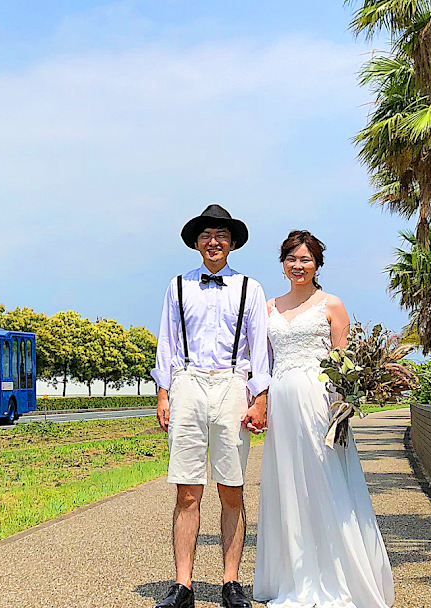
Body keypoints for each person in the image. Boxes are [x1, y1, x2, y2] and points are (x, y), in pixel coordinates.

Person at [253, 230, 394, 608]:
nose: (297, 266)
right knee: (288, 485)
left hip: (318, 402)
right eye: (291, 259)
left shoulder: (332, 305)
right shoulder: (268, 307)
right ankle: (293, 575)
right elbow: (262, 363)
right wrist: (260, 401)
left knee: (322, 480)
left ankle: (336, 575)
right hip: (282, 402)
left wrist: (342, 407)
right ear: (282, 263)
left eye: (305, 260)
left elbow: (343, 362)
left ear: (317, 265)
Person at [152, 204, 270, 608]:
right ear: (196, 243)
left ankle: (230, 583)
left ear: (232, 243)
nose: (214, 241)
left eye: (221, 235)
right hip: (186, 382)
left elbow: (260, 348)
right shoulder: (177, 286)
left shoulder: (250, 289)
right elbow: (166, 342)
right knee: (187, 490)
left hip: (234, 384)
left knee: (231, 489)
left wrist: (260, 398)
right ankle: (183, 585)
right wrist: (163, 393)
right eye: (207, 235)